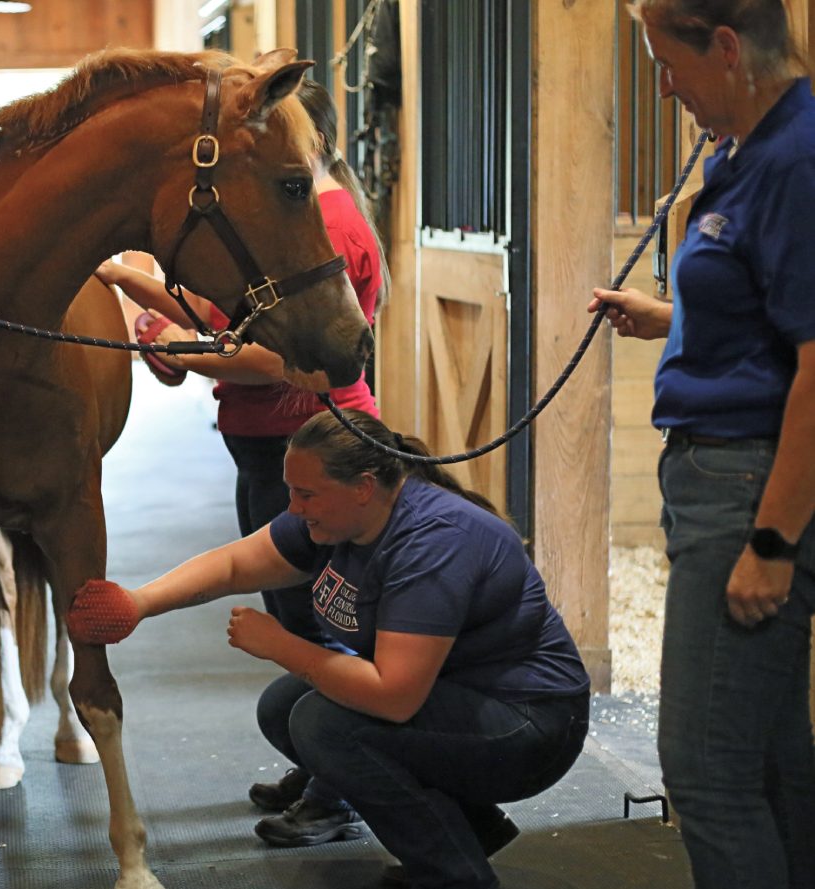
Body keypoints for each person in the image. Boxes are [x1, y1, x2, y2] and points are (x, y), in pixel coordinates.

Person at [67, 410, 591, 889]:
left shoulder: (432, 543)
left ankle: (454, 876)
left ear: (363, 487)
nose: (293, 507)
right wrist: (137, 603)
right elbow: (234, 565)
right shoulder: (342, 519)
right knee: (283, 707)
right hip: (460, 698)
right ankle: (465, 832)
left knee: (323, 723)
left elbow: (394, 698)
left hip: (529, 726)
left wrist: (281, 645)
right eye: (292, 491)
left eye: (306, 495)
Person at [96, 79, 387, 838]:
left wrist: (190, 358)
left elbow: (268, 356)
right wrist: (139, 289)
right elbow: (230, 320)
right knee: (292, 606)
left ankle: (339, 787)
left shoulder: (327, 224)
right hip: (268, 444)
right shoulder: (300, 222)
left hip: (313, 437)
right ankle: (323, 763)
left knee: (324, 620)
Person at [588, 3, 815, 888]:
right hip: (724, 472)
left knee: (703, 770)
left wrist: (769, 540)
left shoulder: (793, 161)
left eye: (666, 61)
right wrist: (671, 318)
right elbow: (770, 310)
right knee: (768, 758)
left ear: (725, 46)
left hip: (747, 489)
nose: (663, 85)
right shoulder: (746, 150)